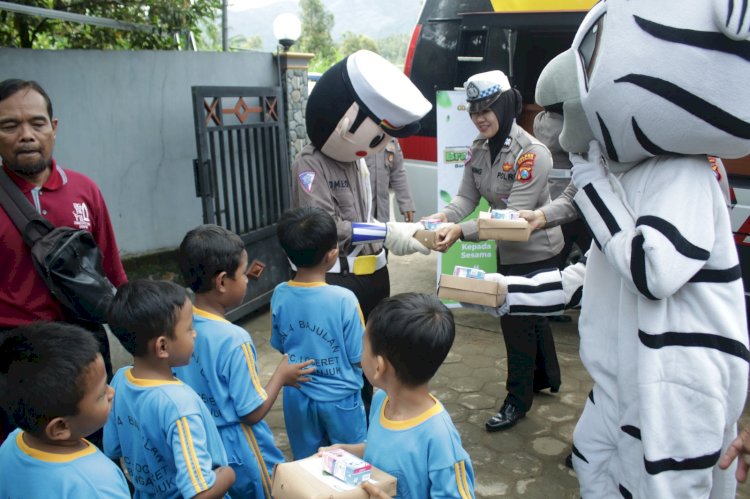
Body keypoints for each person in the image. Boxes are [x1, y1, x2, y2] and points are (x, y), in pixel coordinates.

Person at [292, 50, 432, 412]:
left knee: (375, 357)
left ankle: (371, 418)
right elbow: (325, 227)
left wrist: (394, 233)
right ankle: (345, 426)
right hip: (339, 281)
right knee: (344, 361)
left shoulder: (358, 160)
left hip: (374, 276)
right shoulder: (311, 165)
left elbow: (380, 197)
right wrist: (386, 232)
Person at [429, 70, 564, 432]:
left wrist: (460, 231)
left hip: (537, 251)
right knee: (533, 317)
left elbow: (509, 219)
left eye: (487, 109)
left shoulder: (532, 154)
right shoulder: (478, 149)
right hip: (507, 250)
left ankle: (516, 401)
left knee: (516, 324)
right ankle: (547, 375)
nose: (479, 118)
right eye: (474, 111)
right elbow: (465, 198)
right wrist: (443, 217)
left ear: (504, 106)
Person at [0, 78, 127, 441]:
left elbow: (114, 272)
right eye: (10, 125)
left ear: (53, 129)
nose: (26, 134)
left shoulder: (84, 191)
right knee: (23, 452)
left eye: (37, 123)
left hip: (83, 348)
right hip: (16, 355)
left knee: (97, 447)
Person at [173, 224, 315, 498]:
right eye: (243, 273)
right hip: (242, 447)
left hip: (203, 444)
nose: (248, 279)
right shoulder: (234, 338)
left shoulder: (179, 327)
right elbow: (251, 412)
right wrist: (281, 377)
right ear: (222, 281)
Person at [321, 293, 475, 499]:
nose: (360, 353)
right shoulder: (381, 401)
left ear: (379, 366)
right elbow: (380, 450)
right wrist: (346, 451)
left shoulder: (440, 439)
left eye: (363, 345)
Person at [104, 279, 236, 498]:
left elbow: (113, 447)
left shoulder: (120, 380)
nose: (194, 334)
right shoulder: (179, 406)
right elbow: (199, 494)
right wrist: (229, 475)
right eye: (189, 329)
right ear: (163, 346)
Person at [271, 207, 367, 459]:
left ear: (286, 253)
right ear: (332, 254)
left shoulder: (280, 294)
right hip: (341, 400)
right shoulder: (345, 299)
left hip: (297, 396)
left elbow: (281, 344)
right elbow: (359, 357)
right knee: (351, 462)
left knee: (308, 464)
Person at [0, 322, 130, 498]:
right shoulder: (97, 484)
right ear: (60, 427)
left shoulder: (12, 442)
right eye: (100, 394)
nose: (111, 392)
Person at [365, 138, 416, 222]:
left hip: (382, 212)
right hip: (360, 210)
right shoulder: (358, 135)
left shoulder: (390, 137)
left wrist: (407, 205)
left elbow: (398, 172)